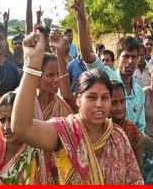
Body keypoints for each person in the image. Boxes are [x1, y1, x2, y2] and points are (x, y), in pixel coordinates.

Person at [11, 26, 144, 184]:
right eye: (92, 97)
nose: (100, 104)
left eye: (105, 97)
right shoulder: (65, 132)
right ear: (78, 99)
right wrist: (33, 64)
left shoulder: (118, 136)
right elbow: (21, 128)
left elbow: (134, 181)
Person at [71, 0, 145, 133]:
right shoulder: (105, 76)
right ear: (118, 57)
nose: (130, 61)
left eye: (134, 57)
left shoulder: (140, 93)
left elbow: (140, 129)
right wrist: (81, 21)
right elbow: (86, 55)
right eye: (126, 56)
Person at [109, 80, 144, 174]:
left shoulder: (133, 132)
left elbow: (138, 169)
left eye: (122, 101)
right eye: (114, 103)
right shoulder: (98, 130)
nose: (120, 107)